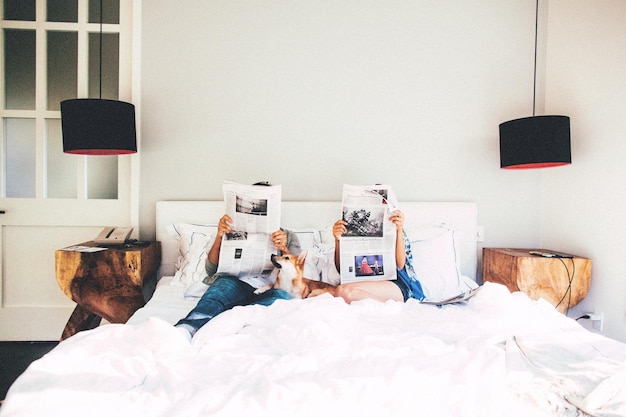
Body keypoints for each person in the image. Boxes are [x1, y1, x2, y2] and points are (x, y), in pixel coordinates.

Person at [175, 193, 301, 337]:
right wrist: (219, 237)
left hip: (271, 288)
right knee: (215, 298)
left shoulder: (289, 236)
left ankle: (242, 335)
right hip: (233, 283)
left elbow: (298, 275)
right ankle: (185, 330)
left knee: (281, 299)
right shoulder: (229, 231)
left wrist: (284, 249)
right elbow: (210, 269)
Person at [332, 209, 424, 303]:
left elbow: (400, 265)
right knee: (342, 292)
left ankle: (398, 309)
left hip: (395, 283)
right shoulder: (349, 227)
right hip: (359, 283)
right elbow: (342, 269)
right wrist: (338, 240)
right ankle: (392, 308)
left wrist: (399, 230)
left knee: (343, 292)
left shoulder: (393, 225)